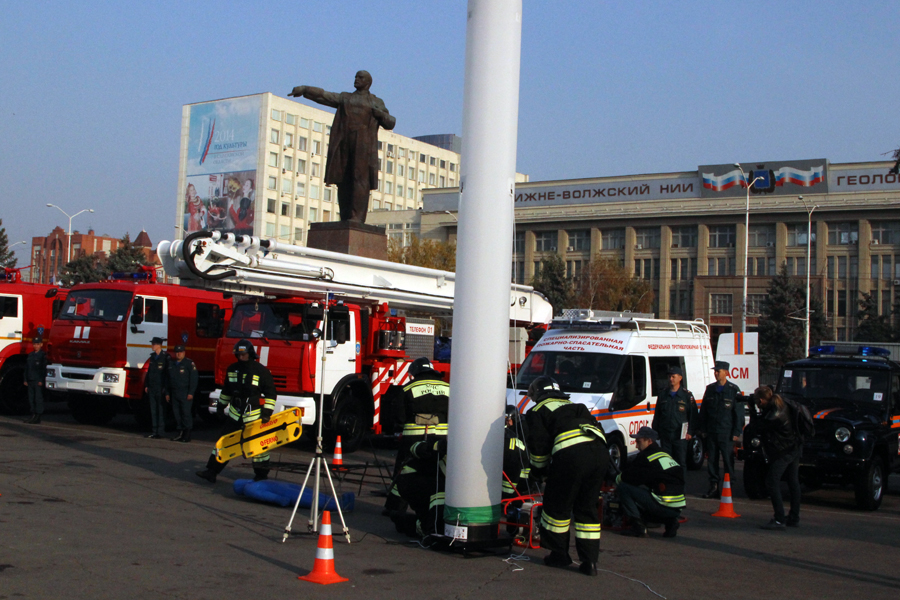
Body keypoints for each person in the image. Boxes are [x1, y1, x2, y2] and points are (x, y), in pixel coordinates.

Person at [525, 376, 609, 576]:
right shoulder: (577, 406)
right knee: (587, 509)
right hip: (599, 454)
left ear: (537, 393)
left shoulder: (536, 411)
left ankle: (559, 555)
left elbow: (539, 449)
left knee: (557, 508)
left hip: (571, 457)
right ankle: (590, 563)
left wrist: (538, 473)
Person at [289, 71, 396, 223]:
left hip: (364, 144)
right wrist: (305, 89)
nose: (356, 79)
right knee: (343, 179)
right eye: (355, 77)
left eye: (360, 77)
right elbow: (324, 96)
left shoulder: (376, 101)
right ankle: (346, 215)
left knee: (360, 179)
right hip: (344, 142)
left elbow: (390, 122)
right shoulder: (346, 98)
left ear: (368, 82)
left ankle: (357, 217)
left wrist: (380, 114)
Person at [196, 339, 277, 483]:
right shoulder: (232, 369)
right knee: (224, 442)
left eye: (243, 355)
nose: (241, 358)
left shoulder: (261, 371)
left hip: (253, 416)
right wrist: (221, 406)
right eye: (238, 355)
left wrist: (267, 413)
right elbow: (227, 390)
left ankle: (261, 476)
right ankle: (212, 471)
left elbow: (271, 394)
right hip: (235, 413)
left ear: (250, 354)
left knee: (258, 447)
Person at [385, 358, 449, 523]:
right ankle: (437, 509)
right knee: (440, 472)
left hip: (413, 439)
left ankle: (395, 507)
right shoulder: (449, 388)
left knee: (405, 470)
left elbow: (399, 417)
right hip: (442, 440)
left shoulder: (407, 388)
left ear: (414, 373)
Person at [616, 426, 686, 538]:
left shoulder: (646, 457)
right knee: (648, 492)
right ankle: (671, 522)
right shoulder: (665, 454)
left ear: (649, 441)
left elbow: (629, 478)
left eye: (639, 442)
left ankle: (638, 527)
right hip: (677, 508)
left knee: (624, 488)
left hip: (663, 505)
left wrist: (617, 478)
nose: (636, 445)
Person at [751, 386, 801, 530]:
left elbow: (757, 427)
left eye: (757, 401)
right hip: (793, 447)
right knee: (793, 482)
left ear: (761, 400)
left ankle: (779, 519)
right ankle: (794, 517)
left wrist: (753, 410)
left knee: (772, 482)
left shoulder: (774, 414)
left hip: (784, 451)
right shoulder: (781, 404)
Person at [698, 361, 744, 498]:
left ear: (726, 372)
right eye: (715, 371)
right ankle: (714, 486)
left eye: (719, 371)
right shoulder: (710, 389)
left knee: (728, 461)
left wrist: (736, 432)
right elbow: (704, 411)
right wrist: (702, 429)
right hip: (712, 431)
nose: (716, 373)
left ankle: (728, 487)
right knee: (712, 460)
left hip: (726, 432)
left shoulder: (733, 389)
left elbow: (738, 413)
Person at [651, 366, 697, 479]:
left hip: (680, 435)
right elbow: (657, 415)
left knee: (680, 463)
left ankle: (680, 488)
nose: (671, 379)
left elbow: (693, 416)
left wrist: (690, 432)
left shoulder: (687, 396)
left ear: (680, 378)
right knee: (666, 462)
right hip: (665, 434)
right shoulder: (663, 395)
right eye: (669, 376)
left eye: (673, 376)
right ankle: (668, 487)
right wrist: (654, 432)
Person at [167, 345, 199, 443]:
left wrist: (191, 392)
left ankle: (187, 434)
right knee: (177, 414)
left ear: (184, 353)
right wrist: (167, 393)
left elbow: (194, 380)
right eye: (177, 352)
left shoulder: (189, 363)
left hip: (185, 393)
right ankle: (180, 433)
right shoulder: (171, 364)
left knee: (185, 413)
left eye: (180, 352)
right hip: (175, 392)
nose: (178, 354)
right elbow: (168, 380)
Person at [144, 337, 169, 438]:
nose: (152, 346)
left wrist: (165, 388)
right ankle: (154, 431)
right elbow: (149, 372)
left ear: (159, 345)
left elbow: (167, 374)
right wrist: (146, 385)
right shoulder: (152, 357)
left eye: (154, 344)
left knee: (161, 410)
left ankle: (161, 432)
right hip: (152, 387)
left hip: (160, 387)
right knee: (153, 410)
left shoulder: (165, 357)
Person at [23, 337, 47, 424]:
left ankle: (38, 416)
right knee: (31, 398)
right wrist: (25, 379)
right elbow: (27, 368)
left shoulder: (42, 356)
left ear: (41, 344)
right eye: (34, 344)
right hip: (30, 379)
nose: (36, 346)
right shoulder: (31, 355)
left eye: (37, 344)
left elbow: (43, 369)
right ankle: (33, 415)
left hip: (37, 380)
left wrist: (41, 380)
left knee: (38, 399)